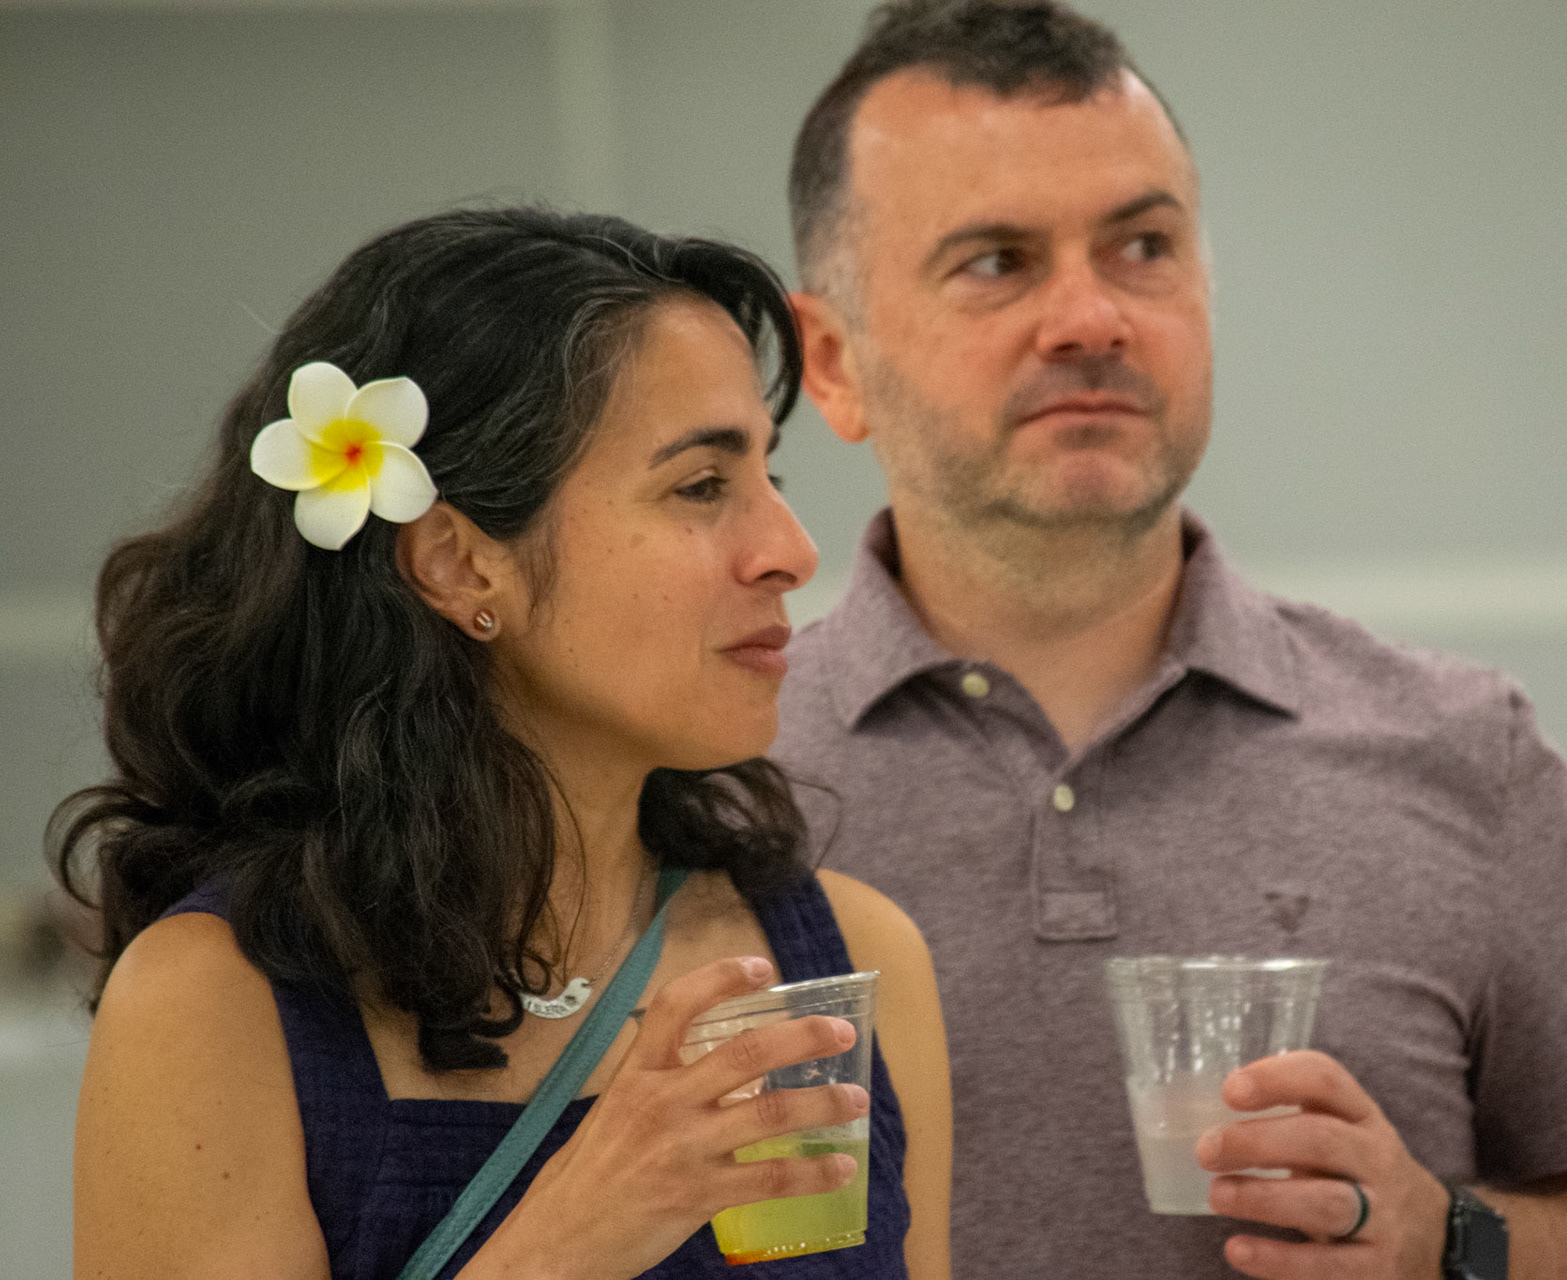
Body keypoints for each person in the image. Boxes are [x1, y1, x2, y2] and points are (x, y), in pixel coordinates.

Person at [769, 3, 1567, 1278]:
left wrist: (1446, 1237)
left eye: (1142, 246)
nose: (1091, 317)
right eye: (998, 262)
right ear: (834, 363)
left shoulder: (1462, 751)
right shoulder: (706, 784)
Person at [53, 207, 951, 1279]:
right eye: (702, 486)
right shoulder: (213, 1005)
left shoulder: (857, 957)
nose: (791, 550)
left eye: (772, 479)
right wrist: (575, 1235)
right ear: (457, 563)